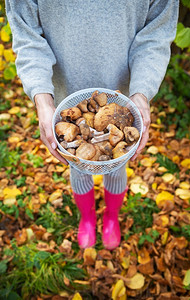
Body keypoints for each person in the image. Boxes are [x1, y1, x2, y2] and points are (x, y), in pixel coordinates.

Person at [6, 0, 179, 250]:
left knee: (116, 163)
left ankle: (111, 217)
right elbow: (27, 35)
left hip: (123, 99)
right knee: (78, 162)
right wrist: (43, 100)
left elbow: (155, 33)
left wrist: (142, 92)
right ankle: (87, 218)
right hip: (67, 100)